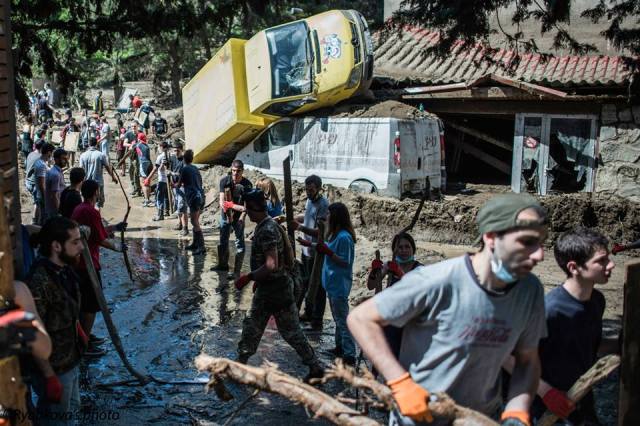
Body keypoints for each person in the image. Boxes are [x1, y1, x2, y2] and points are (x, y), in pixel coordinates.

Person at [348, 193, 549, 425]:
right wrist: (400, 383)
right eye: (527, 242)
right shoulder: (436, 281)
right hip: (420, 415)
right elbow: (361, 319)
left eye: (541, 243)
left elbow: (527, 359)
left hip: (480, 419)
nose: (540, 255)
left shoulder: (529, 291)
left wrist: (517, 410)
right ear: (492, 237)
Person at [529, 227, 619, 424]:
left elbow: (581, 345)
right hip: (548, 410)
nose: (611, 265)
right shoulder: (550, 311)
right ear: (573, 267)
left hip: (582, 402)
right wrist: (546, 393)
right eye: (601, 260)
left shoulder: (597, 301)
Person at [234, 189, 324, 381]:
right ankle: (314, 365)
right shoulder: (268, 225)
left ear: (253, 208)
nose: (247, 213)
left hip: (274, 290)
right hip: (276, 287)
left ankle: (240, 364)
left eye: (248, 209)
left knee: (257, 326)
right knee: (286, 330)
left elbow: (271, 263)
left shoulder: (267, 229)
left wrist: (249, 277)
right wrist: (258, 279)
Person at [26, 216, 85, 425]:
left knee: (72, 412)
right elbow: (32, 334)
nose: (80, 247)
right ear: (57, 246)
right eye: (75, 242)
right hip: (54, 368)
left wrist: (78, 330)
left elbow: (66, 308)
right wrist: (49, 375)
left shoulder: (64, 270)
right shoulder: (39, 282)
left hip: (70, 360)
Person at [71, 180, 126, 356]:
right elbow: (101, 239)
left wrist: (115, 227)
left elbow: (98, 232)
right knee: (90, 306)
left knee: (82, 304)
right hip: (87, 265)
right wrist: (118, 248)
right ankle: (84, 344)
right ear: (96, 192)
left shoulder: (80, 209)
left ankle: (84, 336)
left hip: (77, 263)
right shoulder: (91, 212)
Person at [299, 202, 357, 365]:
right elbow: (325, 247)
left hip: (339, 285)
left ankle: (349, 353)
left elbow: (345, 262)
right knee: (338, 319)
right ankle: (340, 348)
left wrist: (328, 252)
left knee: (343, 320)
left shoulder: (344, 238)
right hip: (332, 284)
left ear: (337, 217)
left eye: (330, 214)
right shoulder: (336, 235)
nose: (327, 217)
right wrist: (310, 244)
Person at [366, 232, 422, 359]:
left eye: (407, 247)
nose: (404, 250)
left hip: (409, 320)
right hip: (391, 318)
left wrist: (400, 272)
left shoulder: (419, 269)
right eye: (400, 247)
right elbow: (371, 285)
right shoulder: (389, 266)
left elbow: (415, 289)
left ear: (413, 249)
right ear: (394, 250)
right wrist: (374, 271)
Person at [291, 175, 329, 330]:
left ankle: (317, 320)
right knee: (306, 283)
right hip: (306, 249)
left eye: (311, 190)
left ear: (319, 188)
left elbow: (320, 232)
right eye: (306, 189)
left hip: (316, 251)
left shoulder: (323, 204)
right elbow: (307, 216)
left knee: (318, 287)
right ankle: (308, 312)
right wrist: (293, 218)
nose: (308, 192)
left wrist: (299, 228)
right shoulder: (309, 201)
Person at [212, 159, 253, 275]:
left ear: (242, 171)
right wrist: (227, 207)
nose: (235, 173)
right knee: (222, 241)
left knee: (239, 244)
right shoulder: (225, 181)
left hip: (239, 218)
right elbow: (221, 201)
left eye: (238, 171)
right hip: (225, 216)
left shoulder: (247, 185)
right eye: (233, 171)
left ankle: (236, 272)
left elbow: (246, 207)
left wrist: (241, 217)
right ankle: (222, 265)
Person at [174, 149, 206, 254]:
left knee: (194, 222)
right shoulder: (195, 168)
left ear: (184, 159)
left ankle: (201, 247)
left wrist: (173, 185)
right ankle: (195, 244)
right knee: (194, 221)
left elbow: (178, 184)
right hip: (200, 196)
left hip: (193, 197)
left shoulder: (184, 169)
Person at [79, 137, 117, 210]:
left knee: (86, 203)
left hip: (86, 183)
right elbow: (107, 168)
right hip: (98, 183)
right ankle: (96, 220)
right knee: (97, 204)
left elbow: (81, 170)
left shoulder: (83, 155)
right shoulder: (101, 155)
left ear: (89, 144)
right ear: (97, 144)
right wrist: (113, 177)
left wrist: (80, 184)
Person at [26, 142, 53, 225]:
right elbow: (42, 185)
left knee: (38, 206)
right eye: (51, 153)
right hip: (38, 189)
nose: (51, 155)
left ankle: (36, 223)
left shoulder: (34, 157)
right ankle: (35, 224)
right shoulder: (41, 163)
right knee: (40, 209)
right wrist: (46, 198)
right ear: (48, 152)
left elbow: (29, 169)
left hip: (30, 183)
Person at [144, 140, 170, 221]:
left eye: (159, 147)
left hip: (162, 179)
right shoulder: (170, 155)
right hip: (168, 180)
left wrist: (148, 178)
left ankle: (160, 214)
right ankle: (166, 211)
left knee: (159, 197)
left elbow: (155, 168)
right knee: (166, 196)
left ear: (162, 147)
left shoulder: (160, 156)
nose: (158, 148)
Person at [169, 141, 188, 236]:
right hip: (174, 185)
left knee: (182, 207)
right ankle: (180, 223)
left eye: (178, 150)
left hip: (182, 186)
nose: (176, 152)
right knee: (177, 205)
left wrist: (174, 176)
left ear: (181, 150)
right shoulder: (172, 159)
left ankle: (185, 228)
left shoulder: (184, 161)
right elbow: (170, 170)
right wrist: (172, 182)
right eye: (174, 150)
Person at [43, 148, 68, 220]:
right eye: (63, 159)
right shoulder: (55, 174)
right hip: (54, 210)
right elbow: (54, 195)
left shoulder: (56, 171)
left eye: (66, 159)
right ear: (56, 159)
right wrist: (59, 211)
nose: (66, 161)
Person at [133, 131, 153, 206]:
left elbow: (131, 147)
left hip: (143, 164)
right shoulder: (146, 146)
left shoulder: (138, 144)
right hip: (149, 163)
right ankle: (148, 198)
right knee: (148, 182)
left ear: (139, 138)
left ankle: (146, 200)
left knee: (143, 182)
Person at [122, 123, 142, 196]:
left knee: (137, 172)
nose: (133, 127)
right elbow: (124, 143)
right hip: (131, 155)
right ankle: (134, 187)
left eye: (135, 126)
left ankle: (138, 189)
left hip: (138, 156)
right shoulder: (128, 134)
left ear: (137, 127)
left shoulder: (140, 134)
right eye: (132, 126)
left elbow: (143, 143)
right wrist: (131, 145)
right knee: (131, 170)